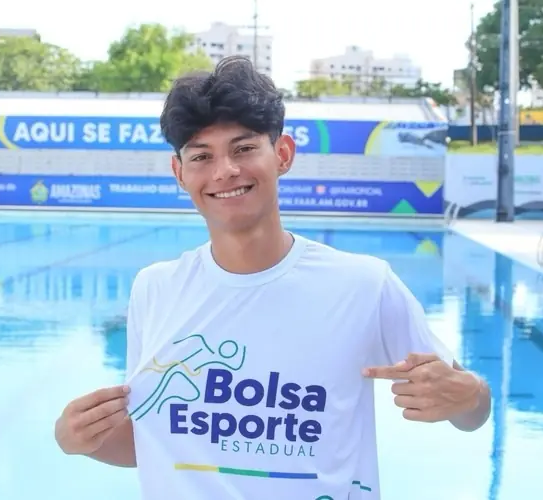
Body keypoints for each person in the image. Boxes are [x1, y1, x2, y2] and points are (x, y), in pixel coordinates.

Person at [54, 56, 491, 500]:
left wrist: (470, 394)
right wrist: (79, 440)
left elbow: (471, 410)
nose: (224, 171)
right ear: (179, 173)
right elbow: (155, 441)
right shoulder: (156, 289)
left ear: (282, 154)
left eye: (243, 149)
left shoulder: (363, 286)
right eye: (202, 156)